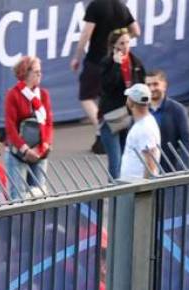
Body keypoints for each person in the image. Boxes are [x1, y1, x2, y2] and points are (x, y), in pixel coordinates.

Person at [70, 1, 139, 150]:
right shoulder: (122, 7)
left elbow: (86, 33)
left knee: (86, 96)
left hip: (96, 60)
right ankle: (110, 133)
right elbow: (136, 31)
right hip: (118, 61)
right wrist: (121, 42)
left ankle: (103, 129)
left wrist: (77, 56)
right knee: (107, 96)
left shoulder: (95, 6)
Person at [97, 28, 148, 181]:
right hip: (112, 117)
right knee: (115, 163)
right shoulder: (107, 63)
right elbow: (106, 87)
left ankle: (124, 194)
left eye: (127, 42)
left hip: (130, 115)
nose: (125, 46)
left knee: (127, 160)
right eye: (121, 43)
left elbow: (142, 85)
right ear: (114, 46)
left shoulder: (135, 62)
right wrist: (116, 65)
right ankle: (114, 196)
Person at [3, 56, 53, 198]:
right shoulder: (13, 95)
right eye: (36, 72)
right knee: (18, 197)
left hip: (39, 151)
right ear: (25, 73)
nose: (39, 75)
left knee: (39, 194)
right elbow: (10, 127)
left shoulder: (43, 95)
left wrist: (44, 146)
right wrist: (25, 149)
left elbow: (48, 123)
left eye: (40, 72)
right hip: (18, 152)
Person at [145, 71, 189, 171]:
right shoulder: (140, 111)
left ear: (164, 85)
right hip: (145, 170)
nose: (151, 88)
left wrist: (183, 166)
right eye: (148, 85)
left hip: (170, 168)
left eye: (155, 84)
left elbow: (186, 141)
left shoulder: (178, 110)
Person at [118, 83, 162, 182]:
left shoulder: (144, 128)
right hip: (133, 185)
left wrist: (144, 189)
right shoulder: (146, 123)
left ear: (130, 102)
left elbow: (151, 162)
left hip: (136, 188)